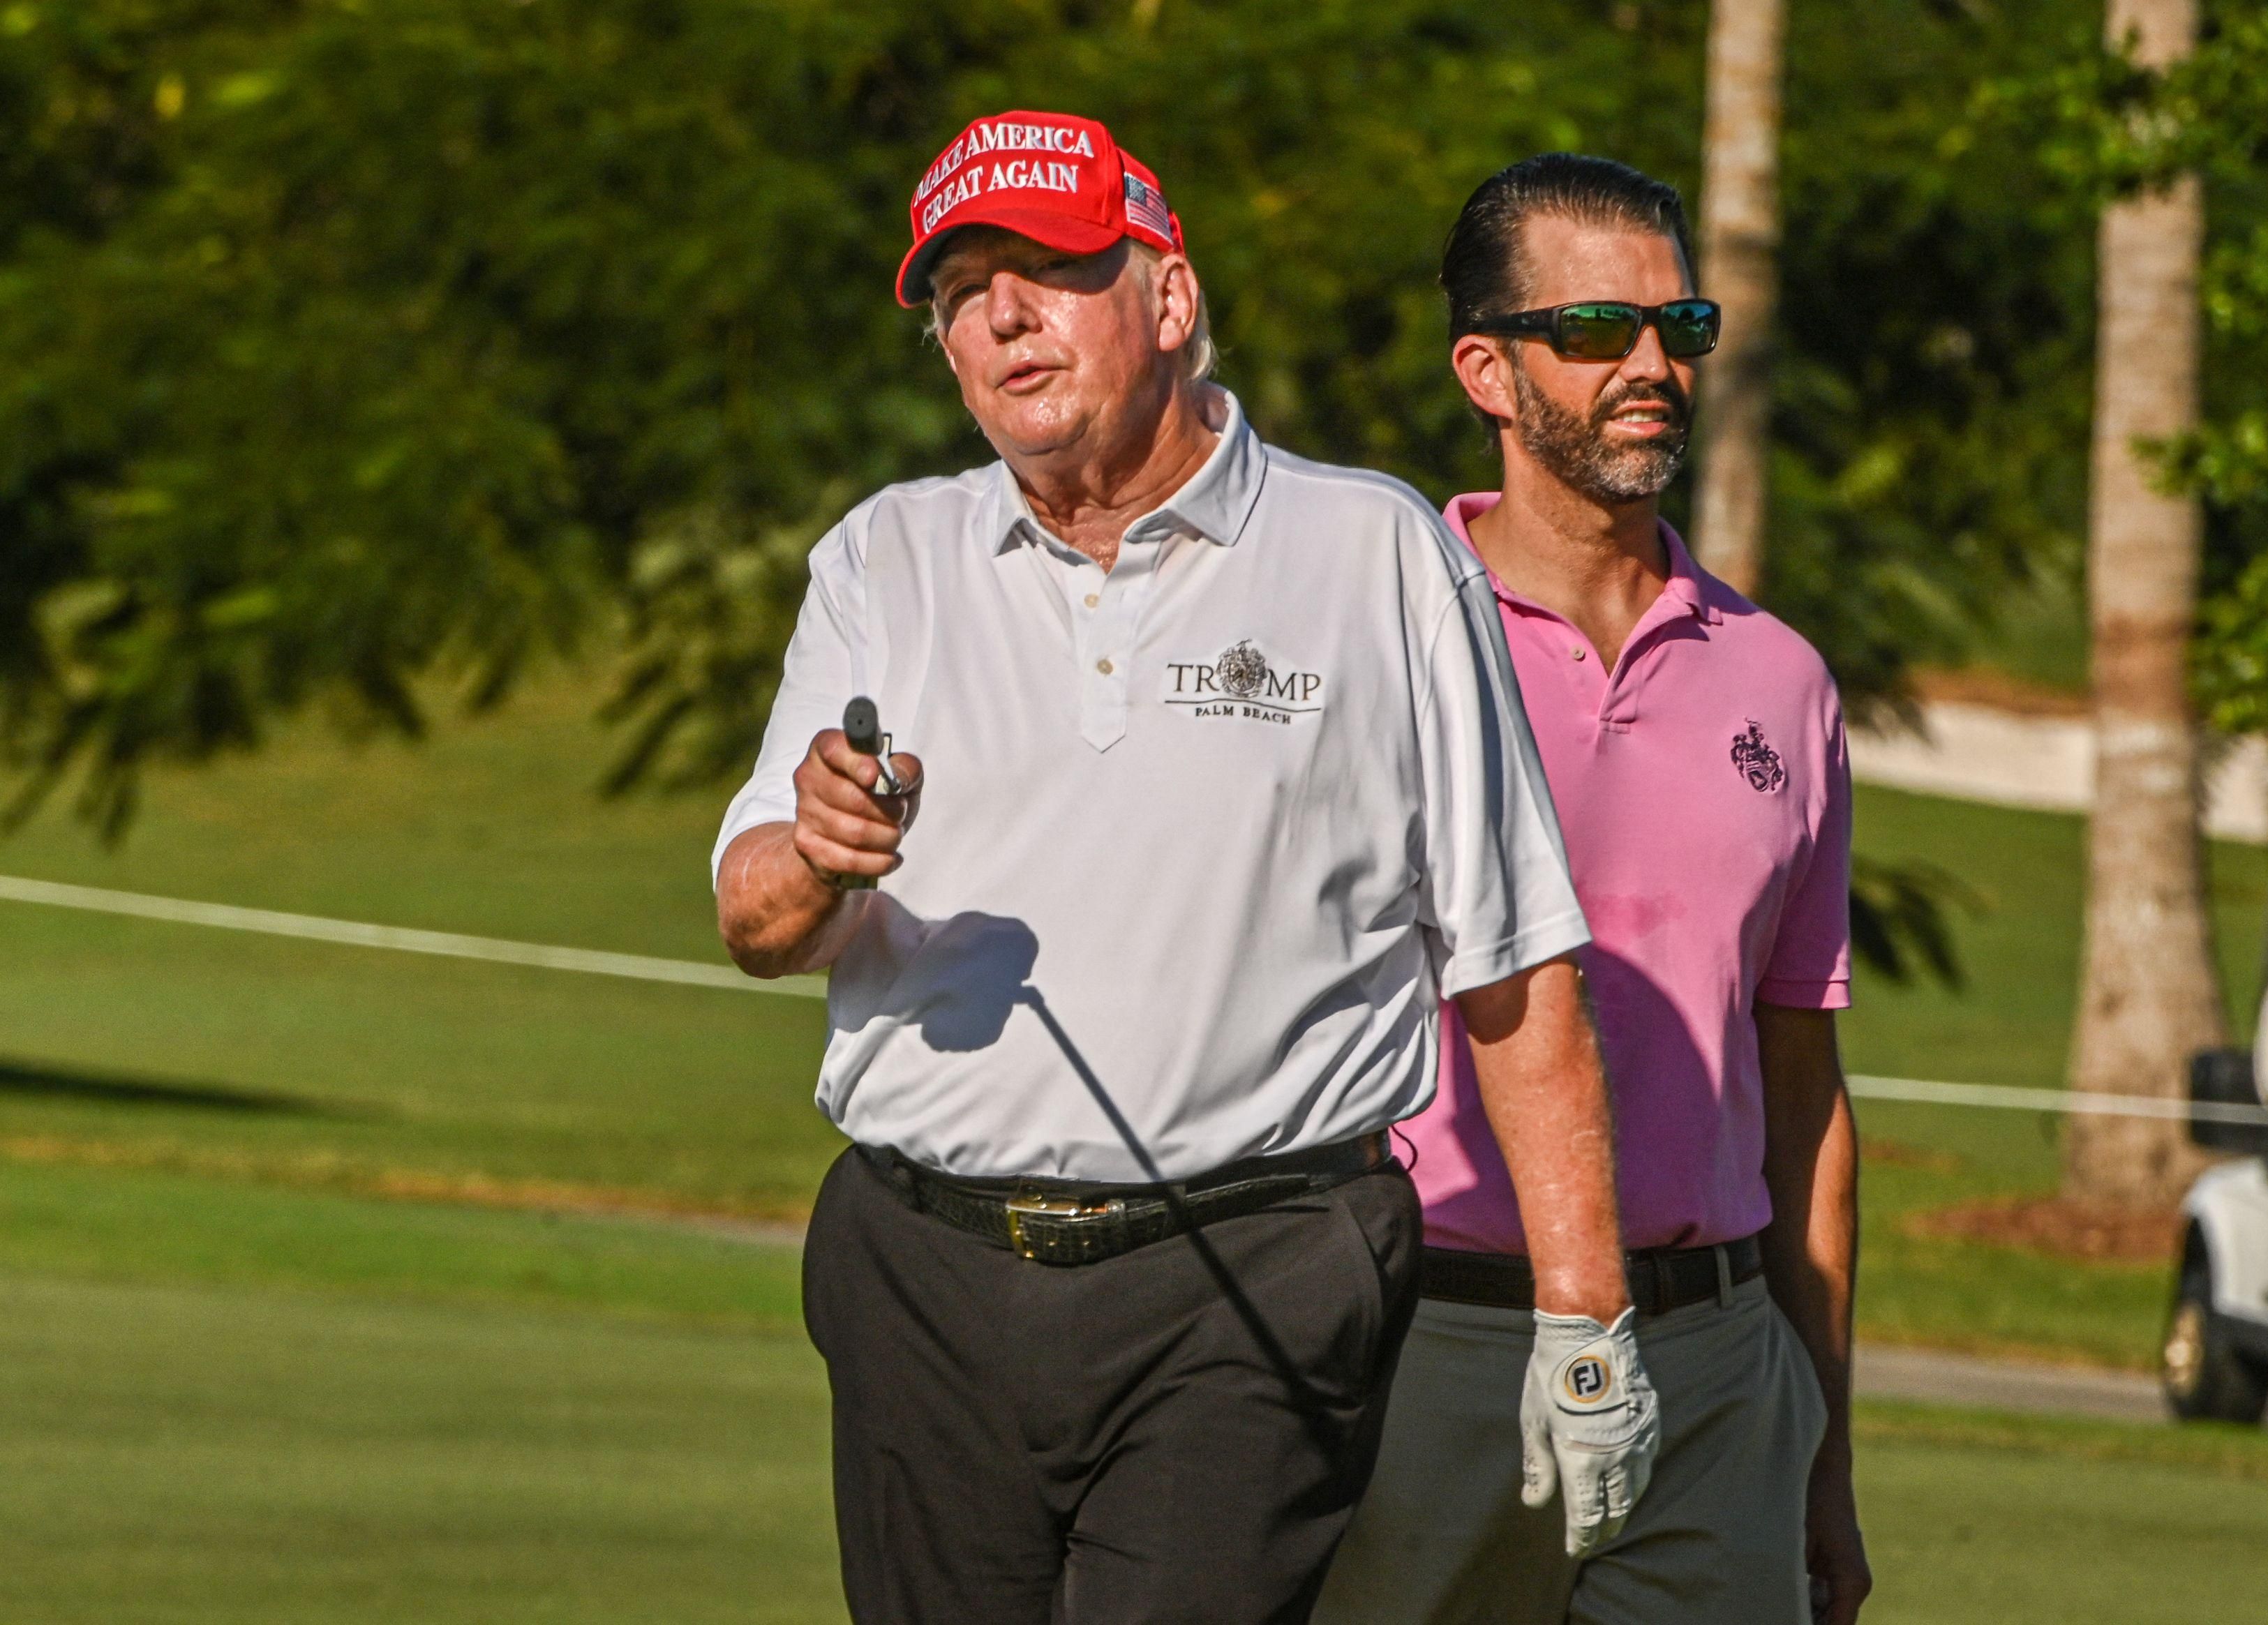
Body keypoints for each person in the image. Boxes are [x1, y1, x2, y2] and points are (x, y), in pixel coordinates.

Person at [713, 113, 1655, 1624]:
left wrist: (1585, 1316)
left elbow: (1514, 959)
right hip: (923, 1276)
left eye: (1049, 270)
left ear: (1168, 300)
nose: (1002, 313)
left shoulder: (1377, 554)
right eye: (962, 289)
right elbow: (755, 919)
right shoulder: (884, 557)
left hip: (1259, 1260)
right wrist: (819, 855)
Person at [1318, 153, 1874, 1625]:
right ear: (1485, 370)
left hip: (1719, 1371)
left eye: (1676, 329)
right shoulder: (1365, 643)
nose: (1649, 366)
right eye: (1596, 332)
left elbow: (1803, 1091)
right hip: (1429, 1352)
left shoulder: (1782, 677)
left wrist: (1820, 1449)